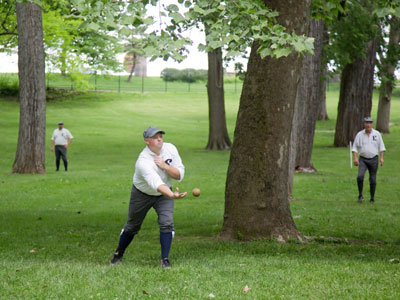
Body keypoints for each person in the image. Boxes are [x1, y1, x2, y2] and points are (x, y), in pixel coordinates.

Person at [111, 126, 187, 269]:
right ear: (147, 141)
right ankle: (118, 253)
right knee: (132, 226)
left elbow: (179, 175)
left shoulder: (170, 149)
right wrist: (171, 195)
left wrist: (165, 166)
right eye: (155, 137)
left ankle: (165, 259)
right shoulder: (143, 161)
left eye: (160, 136)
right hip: (142, 194)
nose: (159, 139)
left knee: (167, 223)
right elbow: (156, 183)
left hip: (164, 194)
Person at [352, 117, 386, 203]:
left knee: (373, 179)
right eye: (366, 123)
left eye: (370, 123)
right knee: (360, 177)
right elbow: (354, 148)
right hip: (363, 159)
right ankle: (360, 195)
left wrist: (381, 158)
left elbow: (381, 147)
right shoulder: (360, 134)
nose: (368, 125)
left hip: (374, 159)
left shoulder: (377, 134)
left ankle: (372, 198)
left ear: (372, 124)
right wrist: (355, 158)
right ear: (364, 124)